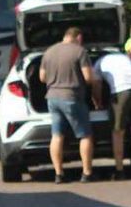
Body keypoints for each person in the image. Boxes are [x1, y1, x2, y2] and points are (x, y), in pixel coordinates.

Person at [39, 27, 96, 184]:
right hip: (72, 97)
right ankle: (87, 173)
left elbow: (42, 78)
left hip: (52, 98)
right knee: (85, 135)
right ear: (79, 37)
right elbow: (88, 77)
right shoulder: (80, 52)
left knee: (57, 136)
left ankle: (59, 174)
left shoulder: (49, 52)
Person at [93, 33, 131, 180]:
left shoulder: (98, 63)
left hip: (121, 91)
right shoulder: (125, 58)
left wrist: (97, 102)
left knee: (118, 132)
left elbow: (97, 85)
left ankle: (119, 170)